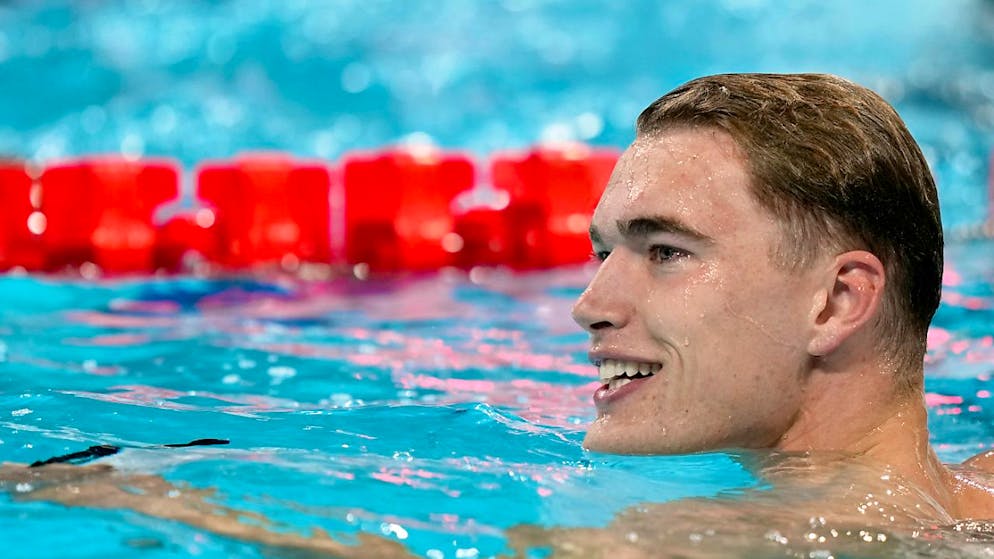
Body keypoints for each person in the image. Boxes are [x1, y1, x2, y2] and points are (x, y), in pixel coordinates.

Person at [5, 73, 994, 558]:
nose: (587, 304)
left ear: (837, 299)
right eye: (605, 250)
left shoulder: (702, 545)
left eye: (665, 251)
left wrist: (114, 495)